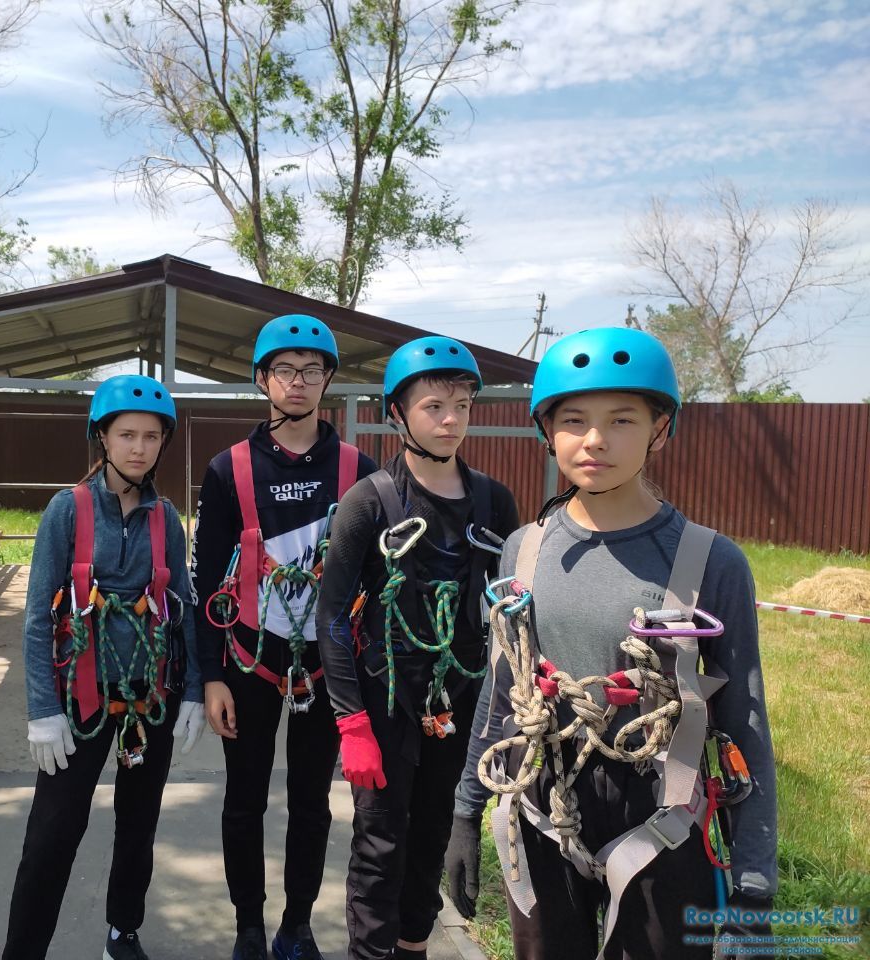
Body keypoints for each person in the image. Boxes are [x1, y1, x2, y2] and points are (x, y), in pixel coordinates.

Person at [444, 327, 778, 960]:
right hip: (543, 804)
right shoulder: (523, 550)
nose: (595, 439)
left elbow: (745, 721)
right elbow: (502, 687)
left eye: (622, 419)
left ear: (660, 428)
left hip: (662, 811)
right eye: (573, 420)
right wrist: (466, 808)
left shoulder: (711, 561)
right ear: (547, 431)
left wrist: (755, 882)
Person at [315, 336, 519, 960]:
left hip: (459, 704)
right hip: (386, 704)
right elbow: (331, 618)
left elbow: (513, 614)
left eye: (462, 405)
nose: (451, 419)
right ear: (397, 414)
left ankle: (413, 948)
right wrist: (351, 723)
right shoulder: (369, 503)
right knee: (380, 845)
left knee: (432, 837)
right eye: (434, 406)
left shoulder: (494, 502)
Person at [193, 314, 378, 960]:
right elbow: (204, 583)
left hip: (327, 664)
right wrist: (210, 677)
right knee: (243, 801)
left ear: (327, 380)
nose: (297, 381)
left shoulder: (357, 469)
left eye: (311, 370)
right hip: (250, 661)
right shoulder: (229, 470)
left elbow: (375, 578)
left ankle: (296, 926)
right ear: (262, 380)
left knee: (311, 803)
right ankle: (248, 925)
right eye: (284, 370)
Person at [2, 374, 205, 960]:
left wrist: (193, 689)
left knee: (139, 823)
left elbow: (184, 607)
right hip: (80, 697)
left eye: (151, 437)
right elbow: (38, 617)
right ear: (103, 438)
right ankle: (23, 950)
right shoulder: (68, 511)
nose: (139, 448)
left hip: (151, 695)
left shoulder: (165, 518)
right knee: (53, 831)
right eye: (127, 435)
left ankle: (124, 928)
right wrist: (43, 709)